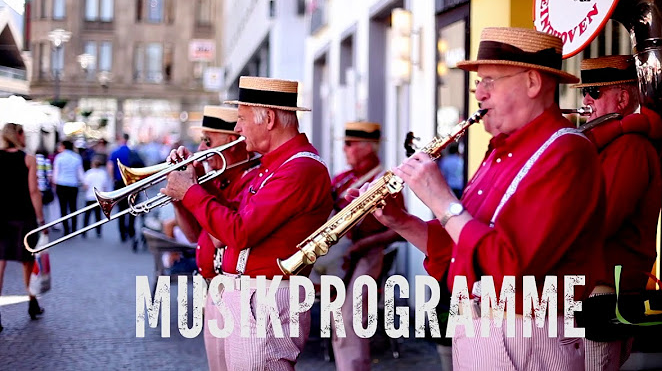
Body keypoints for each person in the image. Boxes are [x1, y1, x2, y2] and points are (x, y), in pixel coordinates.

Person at [349, 27, 606, 370]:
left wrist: (441, 200)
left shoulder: (566, 151)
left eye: (489, 81)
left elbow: (509, 267)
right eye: (478, 84)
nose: (479, 95)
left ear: (532, 82)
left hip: (527, 333)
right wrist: (401, 221)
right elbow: (462, 247)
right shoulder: (498, 149)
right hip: (483, 325)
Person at [162, 76, 333, 370]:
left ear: (267, 118)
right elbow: (234, 217)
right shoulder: (278, 165)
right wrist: (193, 183)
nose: (238, 128)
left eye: (241, 118)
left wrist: (191, 192)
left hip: (264, 299)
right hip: (251, 296)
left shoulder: (299, 168)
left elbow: (239, 232)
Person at [571, 55, 662, 370]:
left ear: (623, 98)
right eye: (585, 92)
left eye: (595, 91)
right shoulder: (611, 145)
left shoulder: (630, 147)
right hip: (593, 284)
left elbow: (603, 220)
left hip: (605, 289)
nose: (586, 100)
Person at [165, 104, 260, 371]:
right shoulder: (219, 180)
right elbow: (196, 235)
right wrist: (179, 199)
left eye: (208, 141)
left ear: (232, 142)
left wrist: (194, 189)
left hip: (236, 290)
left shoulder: (252, 179)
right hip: (213, 286)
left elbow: (224, 237)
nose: (202, 151)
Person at [323, 122, 403, 371]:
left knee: (350, 319)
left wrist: (366, 243)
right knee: (339, 319)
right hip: (338, 258)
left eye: (350, 144)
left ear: (369, 147)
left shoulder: (386, 182)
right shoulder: (342, 179)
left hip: (367, 256)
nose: (345, 149)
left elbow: (399, 227)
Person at [0, 123, 46, 332]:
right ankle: (32, 302)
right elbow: (34, 191)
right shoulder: (28, 158)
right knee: (27, 262)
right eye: (23, 133)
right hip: (23, 216)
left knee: (0, 264)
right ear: (17, 135)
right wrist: (42, 220)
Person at [107, 133, 137, 244]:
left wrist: (113, 179)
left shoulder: (115, 152)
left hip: (119, 183)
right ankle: (131, 231)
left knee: (121, 209)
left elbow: (110, 167)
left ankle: (122, 233)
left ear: (120, 139)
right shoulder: (133, 152)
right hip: (132, 184)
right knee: (132, 208)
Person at [52, 140, 84, 236]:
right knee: (73, 207)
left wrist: (54, 182)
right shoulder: (77, 157)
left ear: (64, 146)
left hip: (61, 184)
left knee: (63, 207)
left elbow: (56, 172)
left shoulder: (59, 157)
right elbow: (80, 173)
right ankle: (74, 228)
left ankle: (66, 229)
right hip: (73, 185)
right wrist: (84, 182)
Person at [82, 156, 111, 238]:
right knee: (98, 215)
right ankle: (98, 231)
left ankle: (84, 230)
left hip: (90, 196)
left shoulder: (89, 173)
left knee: (87, 215)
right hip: (99, 197)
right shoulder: (103, 173)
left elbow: (85, 186)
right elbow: (105, 186)